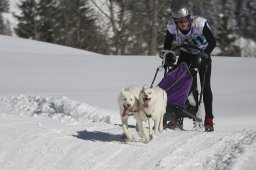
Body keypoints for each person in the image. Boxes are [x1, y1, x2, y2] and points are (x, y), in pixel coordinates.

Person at [163, 3, 216, 132]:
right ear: (175, 21)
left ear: (189, 17)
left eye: (184, 20)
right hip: (186, 53)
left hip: (202, 54)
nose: (182, 23)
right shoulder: (171, 26)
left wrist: (204, 54)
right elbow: (167, 44)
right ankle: (176, 117)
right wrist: (168, 55)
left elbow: (212, 42)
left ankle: (208, 119)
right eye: (179, 21)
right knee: (180, 84)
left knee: (205, 86)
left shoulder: (199, 24)